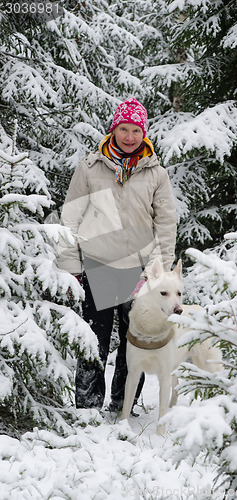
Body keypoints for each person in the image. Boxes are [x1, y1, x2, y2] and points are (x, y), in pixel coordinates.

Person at [57, 97, 177, 413]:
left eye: (135, 130)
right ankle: (88, 405)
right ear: (113, 130)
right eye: (123, 129)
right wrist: (70, 264)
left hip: (140, 271)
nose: (129, 137)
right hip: (97, 265)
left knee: (132, 342)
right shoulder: (91, 167)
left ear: (143, 133)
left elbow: (166, 223)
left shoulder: (156, 173)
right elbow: (71, 215)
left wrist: (161, 270)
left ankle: (123, 405)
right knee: (92, 341)